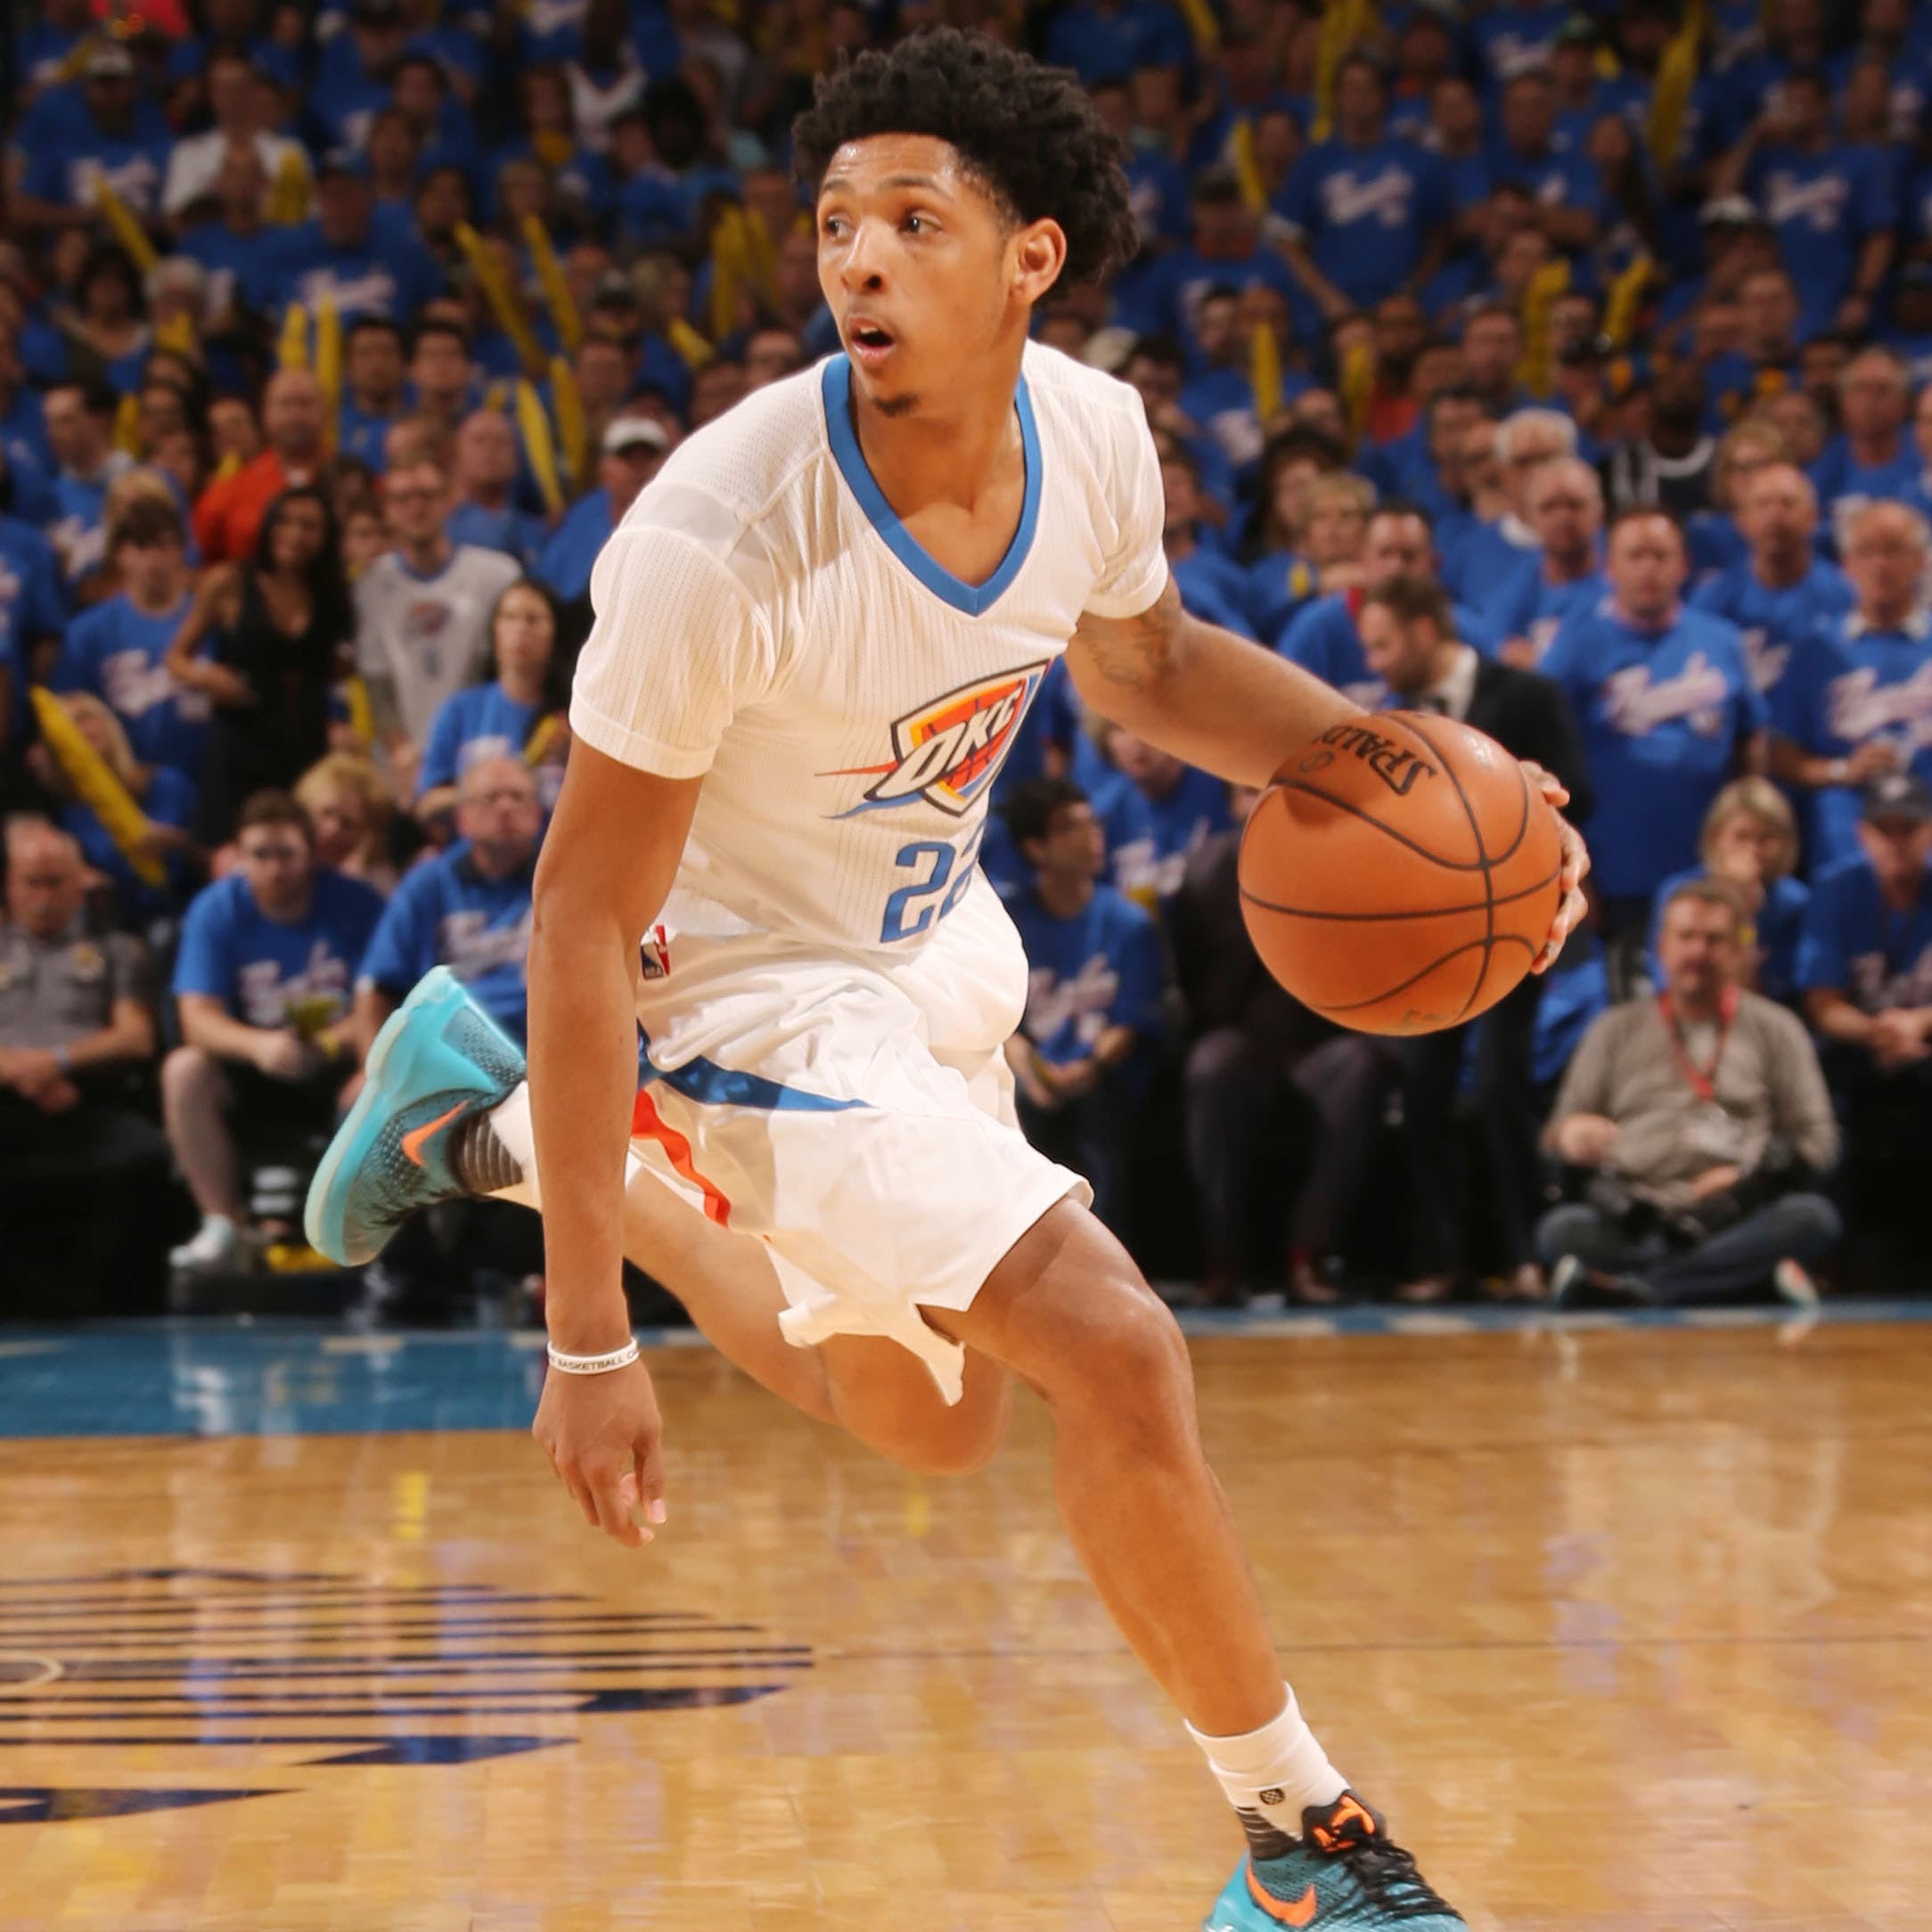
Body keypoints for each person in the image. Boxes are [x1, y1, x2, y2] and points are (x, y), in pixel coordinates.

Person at [301, 35, 1587, 1928]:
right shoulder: (716, 538)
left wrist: (1407, 772)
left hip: (924, 951)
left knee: (937, 1417)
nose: (860, 261)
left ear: (1030, 257)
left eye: (914, 219)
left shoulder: (1090, 437)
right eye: (835, 225)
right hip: (734, 992)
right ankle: (1306, 1851)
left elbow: (1147, 675)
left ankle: (482, 1126)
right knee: (1114, 1343)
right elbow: (575, 918)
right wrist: (586, 1344)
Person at [1356, 574, 1593, 1302]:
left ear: (1427, 628)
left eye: (1385, 643)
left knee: (1501, 1088)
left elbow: (1577, 791)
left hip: (1519, 928)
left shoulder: (1526, 695)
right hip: (1431, 936)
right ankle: (1441, 1259)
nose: (1376, 661)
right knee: (1422, 1092)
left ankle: (1526, 1256)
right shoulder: (1392, 721)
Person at [1538, 878, 1840, 1306]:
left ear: (1739, 951)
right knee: (1561, 1229)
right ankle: (1740, 1281)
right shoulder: (1614, 1029)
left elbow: (1819, 1141)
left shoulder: (1778, 1029)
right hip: (1637, 1211)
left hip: (1738, 1209)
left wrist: (1748, 1179)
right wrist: (1571, 1135)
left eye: (1714, 940)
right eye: (1686, 937)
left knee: (1813, 1218)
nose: (1698, 952)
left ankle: (1640, 1288)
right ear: (1661, 946)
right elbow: (1555, 1135)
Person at [165, 791, 383, 1274]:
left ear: (310, 854)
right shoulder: (215, 910)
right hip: (254, 1066)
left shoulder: (358, 905)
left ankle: (368, 1235)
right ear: (240, 858)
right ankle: (220, 1224)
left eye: (285, 854)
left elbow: (385, 1001)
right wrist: (259, 1046)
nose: (273, 868)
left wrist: (334, 1044)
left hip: (338, 1062)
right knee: (183, 1070)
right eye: (259, 855)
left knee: (382, 1074)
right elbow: (196, 1017)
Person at [1541, 508, 1765, 975]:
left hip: (1705, 868)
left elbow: (1751, 740)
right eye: (1636, 555)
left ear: (1684, 565)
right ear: (1610, 567)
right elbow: (1544, 756)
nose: (1649, 568)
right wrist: (1577, 877)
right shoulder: (1577, 646)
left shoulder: (1720, 639)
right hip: (1613, 869)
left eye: (1661, 555)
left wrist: (1744, 838)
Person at [0, 816, 168, 1309]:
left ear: (81, 885)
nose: (44, 895)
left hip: (87, 1100)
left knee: (144, 1153)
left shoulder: (117, 950)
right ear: (10, 885)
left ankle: (119, 1306)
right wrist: (26, 1073)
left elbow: (136, 1037)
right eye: (32, 882)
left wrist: (57, 1063)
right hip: (9, 1102)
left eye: (57, 882)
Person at [999, 777, 1165, 1236]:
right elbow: (998, 1021)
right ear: (1036, 848)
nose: (1093, 836)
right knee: (1006, 1101)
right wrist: (1029, 1071)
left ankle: (1110, 1255)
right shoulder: (1008, 922)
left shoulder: (1129, 923)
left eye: (1092, 823)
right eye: (1070, 827)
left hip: (1104, 1074)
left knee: (1097, 1116)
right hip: (1030, 1068)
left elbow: (1128, 1024)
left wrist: (1088, 1068)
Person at [164, 487, 354, 840]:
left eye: (309, 525)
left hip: (306, 746)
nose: (295, 534)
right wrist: (207, 678)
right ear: (268, 525)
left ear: (326, 536)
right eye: (285, 521)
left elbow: (341, 664)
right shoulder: (229, 581)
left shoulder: (332, 593)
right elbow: (176, 657)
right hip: (239, 744)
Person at [1766, 498, 1932, 874]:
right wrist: (1843, 770)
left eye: (1893, 550)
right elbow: (1779, 753)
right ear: (1846, 565)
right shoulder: (1815, 650)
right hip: (1839, 856)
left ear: (1922, 560)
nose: (1879, 564)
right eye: (1866, 551)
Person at [356, 757, 541, 1046]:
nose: (506, 807)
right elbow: (375, 986)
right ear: (462, 819)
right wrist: (374, 1074)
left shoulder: (564, 881)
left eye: (517, 797)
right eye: (490, 798)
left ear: (537, 814)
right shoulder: (428, 884)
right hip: (450, 1057)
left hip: (548, 1044)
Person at [353, 454, 523, 763]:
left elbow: (508, 674)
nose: (416, 507)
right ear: (387, 510)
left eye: (427, 496)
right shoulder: (370, 586)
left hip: (481, 748)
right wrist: (401, 752)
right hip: (403, 759)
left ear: (449, 501)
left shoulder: (496, 575)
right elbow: (377, 684)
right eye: (403, 499)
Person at [49, 491, 205, 783]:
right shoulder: (87, 632)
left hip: (205, 782)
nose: (153, 558)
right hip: (118, 787)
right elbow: (70, 718)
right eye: (141, 546)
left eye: (162, 545)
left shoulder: (210, 621)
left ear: (181, 551)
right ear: (119, 555)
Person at [1690, 461, 1853, 697]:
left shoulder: (1844, 594)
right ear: (1740, 520)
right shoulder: (1712, 601)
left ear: (1813, 518)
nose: (1775, 515)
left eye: (1788, 504)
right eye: (1763, 504)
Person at [415, 580, 569, 823]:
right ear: (493, 630)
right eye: (509, 617)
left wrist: (572, 757)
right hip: (474, 852)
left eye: (533, 619)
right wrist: (483, 792)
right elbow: (428, 804)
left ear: (556, 632)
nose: (520, 629)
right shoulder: (460, 711)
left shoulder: (575, 719)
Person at [1649, 778, 1811, 1004]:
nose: (1753, 850)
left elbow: (1773, 993)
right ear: (1715, 838)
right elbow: (1665, 979)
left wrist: (1746, 919)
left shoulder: (1794, 903)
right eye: (1742, 836)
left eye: (1766, 838)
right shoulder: (1679, 893)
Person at [192, 370, 330, 565]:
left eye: (305, 403)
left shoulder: (349, 479)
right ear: (265, 414)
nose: (295, 414)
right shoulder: (231, 488)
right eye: (285, 404)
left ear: (326, 413)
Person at [1487, 454, 1608, 665]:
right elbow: (1496, 644)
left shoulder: (1622, 580)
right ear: (1531, 518)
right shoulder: (1516, 589)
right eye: (1549, 507)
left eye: (1574, 505)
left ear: (1599, 511)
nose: (1563, 518)